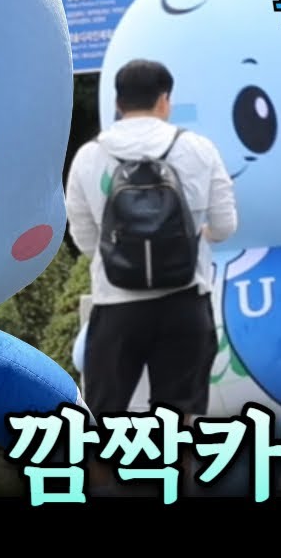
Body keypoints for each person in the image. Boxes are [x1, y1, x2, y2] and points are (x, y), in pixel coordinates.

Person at [64, 58, 238, 491]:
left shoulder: (90, 156)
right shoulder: (198, 149)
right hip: (185, 300)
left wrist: (118, 259)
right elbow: (225, 225)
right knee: (177, 416)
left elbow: (84, 239)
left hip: (116, 306)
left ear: (118, 102)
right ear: (164, 100)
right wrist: (196, 236)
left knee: (104, 415)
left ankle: (101, 488)